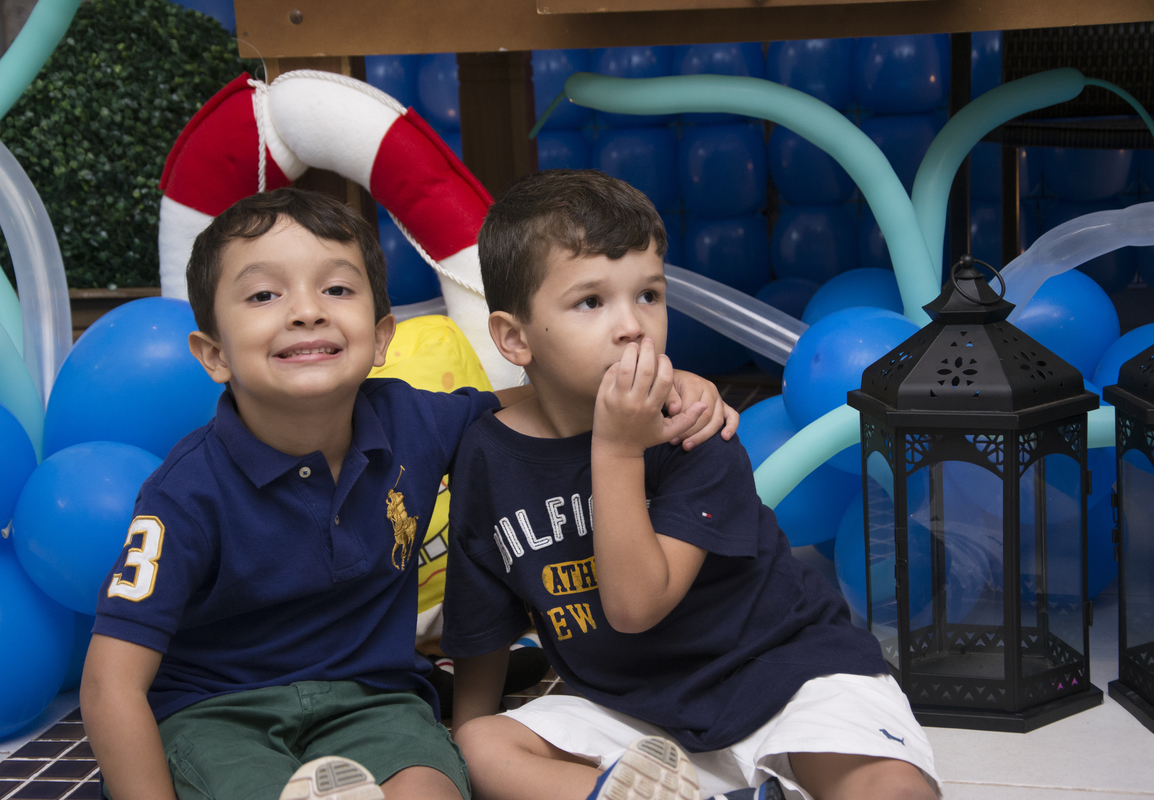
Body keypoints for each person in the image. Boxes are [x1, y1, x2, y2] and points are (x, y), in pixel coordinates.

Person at [79, 187, 735, 800]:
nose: (307, 310)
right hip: (218, 713)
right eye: (264, 295)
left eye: (337, 288)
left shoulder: (410, 421)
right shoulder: (185, 493)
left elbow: (542, 401)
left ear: (381, 337)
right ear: (213, 354)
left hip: (374, 703)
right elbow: (111, 685)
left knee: (431, 790)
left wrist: (670, 388)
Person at [441, 170, 942, 800]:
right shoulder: (487, 454)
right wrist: (465, 740)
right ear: (515, 338)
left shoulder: (695, 428)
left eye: (648, 295)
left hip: (784, 674)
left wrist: (617, 447)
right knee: (484, 747)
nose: (632, 326)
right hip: (630, 707)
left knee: (892, 788)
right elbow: (481, 620)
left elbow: (636, 605)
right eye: (591, 302)